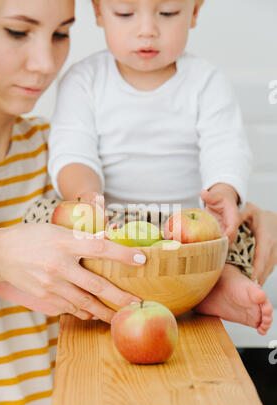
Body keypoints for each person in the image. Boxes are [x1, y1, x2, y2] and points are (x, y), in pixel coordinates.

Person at [0, 0, 147, 405]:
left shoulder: (62, 156)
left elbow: (155, 231)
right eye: (17, 32)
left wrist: (246, 221)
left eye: (60, 33)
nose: (45, 65)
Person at [45, 0, 273, 334]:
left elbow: (226, 147)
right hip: (110, 228)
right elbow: (72, 151)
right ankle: (75, 288)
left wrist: (223, 191)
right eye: (125, 14)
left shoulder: (206, 81)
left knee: (233, 231)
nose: (147, 30)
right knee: (42, 214)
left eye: (167, 13)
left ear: (194, 12)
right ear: (98, 13)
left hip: (181, 231)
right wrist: (86, 196)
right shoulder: (83, 80)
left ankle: (217, 287)